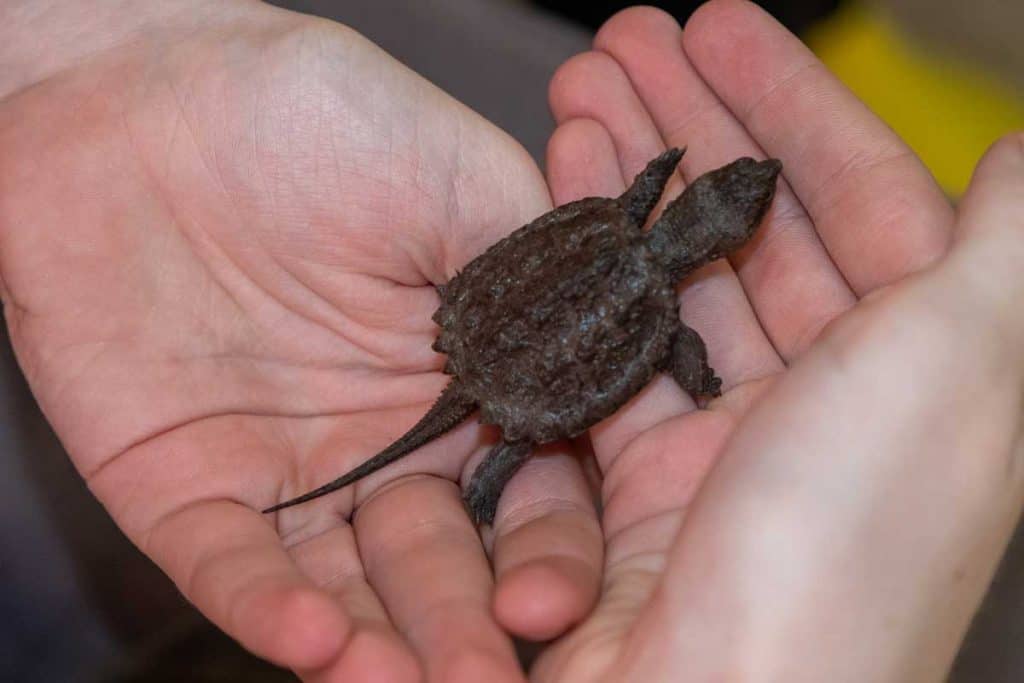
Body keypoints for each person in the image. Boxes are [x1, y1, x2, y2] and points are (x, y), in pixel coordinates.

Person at [1, 0, 1021, 680]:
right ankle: (483, 484)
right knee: (508, 444)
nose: (737, 190)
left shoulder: (625, 225)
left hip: (503, 345)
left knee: (508, 439)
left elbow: (638, 219)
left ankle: (483, 483)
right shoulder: (662, 315)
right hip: (519, 382)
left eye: (730, 193)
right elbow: (683, 359)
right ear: (720, 233)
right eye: (733, 190)